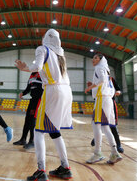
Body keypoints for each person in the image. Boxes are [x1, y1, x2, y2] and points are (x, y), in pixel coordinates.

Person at [15, 29, 73, 180]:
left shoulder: (42, 49)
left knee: (39, 131)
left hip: (53, 91)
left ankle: (41, 171)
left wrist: (24, 68)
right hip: (66, 92)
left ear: (47, 38)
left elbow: (37, 67)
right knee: (54, 131)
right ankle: (65, 167)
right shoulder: (61, 55)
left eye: (43, 35)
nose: (41, 38)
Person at [85, 53, 123, 165]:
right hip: (108, 100)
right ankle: (114, 152)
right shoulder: (107, 71)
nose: (93, 59)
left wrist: (90, 87)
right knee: (105, 127)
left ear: (101, 60)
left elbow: (101, 80)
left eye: (96, 58)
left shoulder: (99, 68)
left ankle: (97, 153)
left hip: (102, 99)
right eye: (93, 58)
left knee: (95, 124)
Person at [90, 77, 124, 153]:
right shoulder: (97, 79)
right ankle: (96, 139)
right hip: (100, 103)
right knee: (99, 123)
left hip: (110, 103)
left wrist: (118, 92)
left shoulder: (111, 79)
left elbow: (118, 89)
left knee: (113, 125)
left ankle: (118, 145)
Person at [13, 72, 43, 150]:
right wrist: (22, 93)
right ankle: (23, 139)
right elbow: (28, 88)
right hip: (32, 100)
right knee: (27, 120)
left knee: (33, 121)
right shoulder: (31, 76)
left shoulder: (42, 73)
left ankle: (32, 141)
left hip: (39, 100)